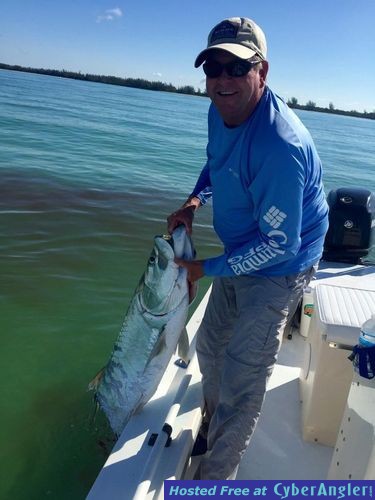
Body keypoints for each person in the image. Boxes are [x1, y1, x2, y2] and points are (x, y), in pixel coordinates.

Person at [167, 17, 329, 480]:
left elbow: (280, 243)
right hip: (243, 247)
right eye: (214, 67)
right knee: (210, 345)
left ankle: (214, 480)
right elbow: (216, 160)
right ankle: (211, 423)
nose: (223, 79)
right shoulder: (221, 108)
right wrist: (195, 200)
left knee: (243, 375)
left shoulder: (281, 145)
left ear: (263, 71)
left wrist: (207, 267)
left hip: (284, 262)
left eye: (237, 68)